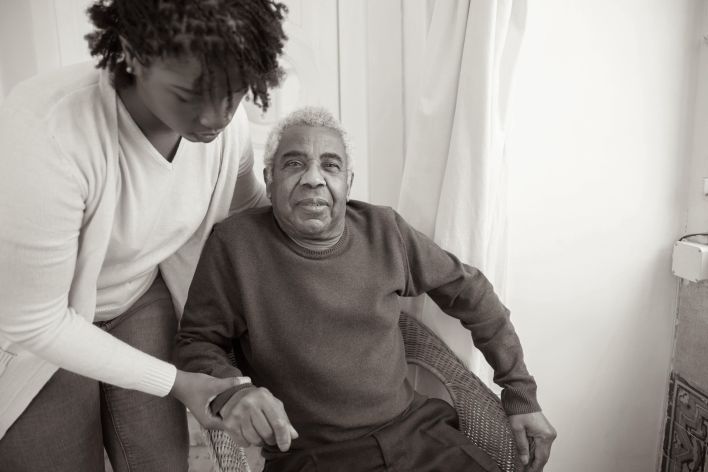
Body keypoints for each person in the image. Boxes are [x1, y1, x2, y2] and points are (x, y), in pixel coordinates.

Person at [175, 106, 557, 472]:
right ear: (270, 181)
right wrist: (234, 391)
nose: (313, 178)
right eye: (293, 164)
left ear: (348, 182)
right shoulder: (235, 244)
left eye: (330, 165)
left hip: (417, 435)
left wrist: (519, 393)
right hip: (313, 456)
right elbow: (196, 341)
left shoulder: (383, 230)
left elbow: (470, 293)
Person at [0, 1, 288, 471]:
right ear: (133, 53)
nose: (216, 117)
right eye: (189, 94)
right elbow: (35, 321)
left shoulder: (225, 128)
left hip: (134, 297)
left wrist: (345, 232)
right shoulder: (46, 131)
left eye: (233, 94)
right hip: (34, 328)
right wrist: (176, 382)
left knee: (160, 463)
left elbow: (248, 207)